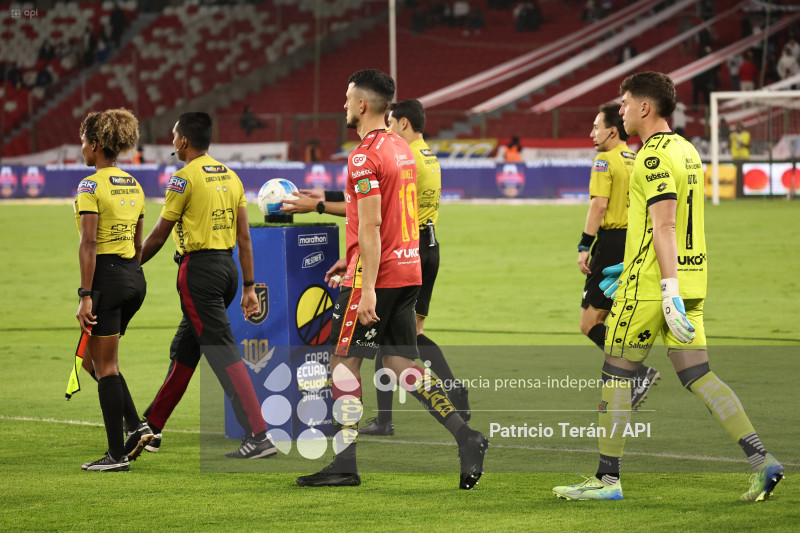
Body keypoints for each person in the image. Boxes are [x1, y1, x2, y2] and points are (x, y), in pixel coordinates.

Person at [553, 72, 784, 502]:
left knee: (617, 374)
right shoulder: (687, 150)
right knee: (699, 374)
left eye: (624, 103)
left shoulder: (653, 157)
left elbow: (665, 223)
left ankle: (607, 481)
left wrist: (665, 287)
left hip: (653, 289)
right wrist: (652, 273)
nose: (619, 111)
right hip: (690, 279)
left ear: (645, 108)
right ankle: (762, 460)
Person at [295, 69, 488, 489]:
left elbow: (370, 224)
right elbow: (387, 219)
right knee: (401, 363)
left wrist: (363, 286)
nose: (344, 104)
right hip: (408, 269)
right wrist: (351, 259)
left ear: (362, 104)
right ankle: (466, 435)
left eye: (347, 97)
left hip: (376, 280)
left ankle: (344, 466)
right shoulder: (401, 148)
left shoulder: (363, 156)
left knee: (343, 366)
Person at [281, 100, 473, 433]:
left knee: (346, 360)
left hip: (383, 263)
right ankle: (456, 428)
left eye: (346, 97)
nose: (342, 104)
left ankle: (346, 457)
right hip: (412, 253)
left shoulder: (372, 153)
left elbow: (372, 214)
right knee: (396, 356)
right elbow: (373, 200)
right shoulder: (410, 152)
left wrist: (322, 207)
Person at [124, 112, 277, 460]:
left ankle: (259, 435)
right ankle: (151, 425)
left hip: (198, 273)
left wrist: (128, 267)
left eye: (174, 135)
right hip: (228, 271)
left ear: (184, 141)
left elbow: (160, 234)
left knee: (223, 352)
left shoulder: (183, 180)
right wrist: (249, 286)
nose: (171, 140)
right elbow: (244, 237)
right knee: (186, 349)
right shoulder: (231, 176)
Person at [74, 108, 148, 471]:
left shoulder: (91, 185)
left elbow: (89, 244)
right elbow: (138, 243)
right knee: (92, 358)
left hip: (106, 278)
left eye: (84, 141)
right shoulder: (133, 184)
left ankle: (117, 455)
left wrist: (85, 295)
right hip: (134, 277)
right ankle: (136, 424)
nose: (81, 148)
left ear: (97, 144)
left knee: (106, 366)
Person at [578, 103, 660, 411]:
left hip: (611, 243)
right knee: (612, 320)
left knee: (589, 322)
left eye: (596, 127)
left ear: (613, 131)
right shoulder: (635, 158)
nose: (592, 133)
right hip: (635, 242)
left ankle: (636, 374)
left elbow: (599, 206)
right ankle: (617, 390)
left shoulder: (604, 161)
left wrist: (585, 245)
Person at [730, 121, 751, 198]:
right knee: (735, 178)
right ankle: (736, 194)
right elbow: (729, 145)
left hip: (744, 158)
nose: (738, 128)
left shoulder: (746, 134)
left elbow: (750, 145)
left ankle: (743, 194)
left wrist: (742, 144)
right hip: (735, 158)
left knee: (744, 178)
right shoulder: (732, 135)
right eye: (737, 127)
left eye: (740, 127)